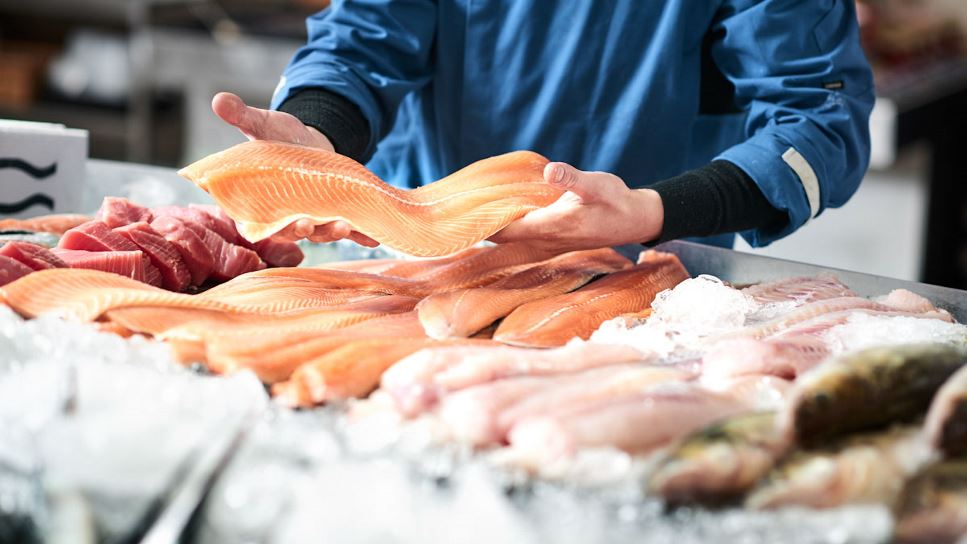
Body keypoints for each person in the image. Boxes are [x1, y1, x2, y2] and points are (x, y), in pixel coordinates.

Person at [213, 0, 874, 254]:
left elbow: (818, 118)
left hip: (648, 290)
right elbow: (362, 42)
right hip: (422, 267)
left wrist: (650, 211)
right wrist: (317, 132)